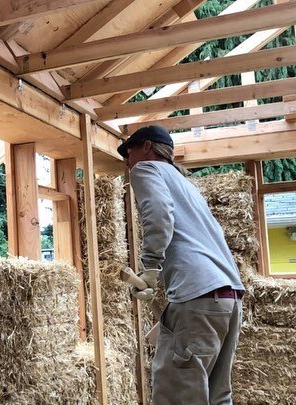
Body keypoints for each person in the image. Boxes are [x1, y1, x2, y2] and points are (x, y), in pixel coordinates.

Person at [118, 125, 245, 405]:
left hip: (199, 297)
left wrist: (150, 267)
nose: (127, 162)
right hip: (229, 298)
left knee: (176, 397)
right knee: (217, 396)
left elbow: (159, 214)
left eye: (128, 152)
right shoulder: (186, 184)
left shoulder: (146, 169)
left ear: (147, 147)